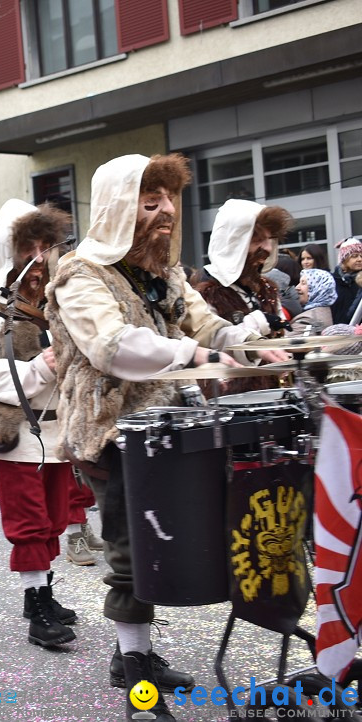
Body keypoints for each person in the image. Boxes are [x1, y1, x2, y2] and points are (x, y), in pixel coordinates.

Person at [44, 153, 287, 722]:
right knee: (135, 555)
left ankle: (137, 656)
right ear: (117, 207)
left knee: (168, 548)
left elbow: (203, 321)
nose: (166, 212)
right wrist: (195, 354)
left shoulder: (162, 272)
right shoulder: (81, 274)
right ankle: (137, 681)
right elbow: (112, 345)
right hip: (112, 434)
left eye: (170, 199)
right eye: (150, 201)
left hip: (171, 430)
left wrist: (244, 347)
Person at [0, 199, 77, 648]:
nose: (38, 258)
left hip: (58, 432)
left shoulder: (59, 307)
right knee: (29, 522)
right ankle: (36, 604)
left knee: (52, 519)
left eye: (45, 246)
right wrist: (41, 370)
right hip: (15, 433)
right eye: (28, 248)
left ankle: (43, 593)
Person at [193, 199, 292, 394]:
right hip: (233, 405)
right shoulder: (206, 293)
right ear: (234, 242)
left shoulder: (268, 289)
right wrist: (259, 322)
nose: (268, 248)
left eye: (269, 240)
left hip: (274, 398)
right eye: (257, 240)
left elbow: (282, 339)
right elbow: (213, 343)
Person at [293, 267, 337, 332]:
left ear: (318, 289)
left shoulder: (307, 320)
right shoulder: (322, 311)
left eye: (303, 283)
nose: (297, 287)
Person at [331, 238, 362, 324]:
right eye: (354, 256)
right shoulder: (333, 281)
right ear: (344, 260)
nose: (359, 259)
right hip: (337, 331)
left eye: (361, 256)